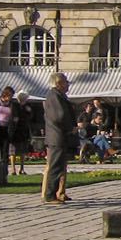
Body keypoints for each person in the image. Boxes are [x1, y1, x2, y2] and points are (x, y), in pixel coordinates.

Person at [42, 72, 75, 204]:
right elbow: (59, 116)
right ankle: (50, 195)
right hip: (57, 136)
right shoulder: (54, 96)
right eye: (66, 82)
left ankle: (57, 192)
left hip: (60, 136)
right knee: (55, 166)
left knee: (60, 166)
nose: (68, 85)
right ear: (59, 83)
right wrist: (70, 127)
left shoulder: (59, 96)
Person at [10, 92, 32, 174]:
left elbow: (30, 117)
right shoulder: (14, 105)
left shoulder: (27, 106)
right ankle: (13, 169)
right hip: (15, 131)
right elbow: (13, 116)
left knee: (23, 151)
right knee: (13, 151)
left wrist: (29, 111)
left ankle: (22, 168)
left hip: (24, 131)